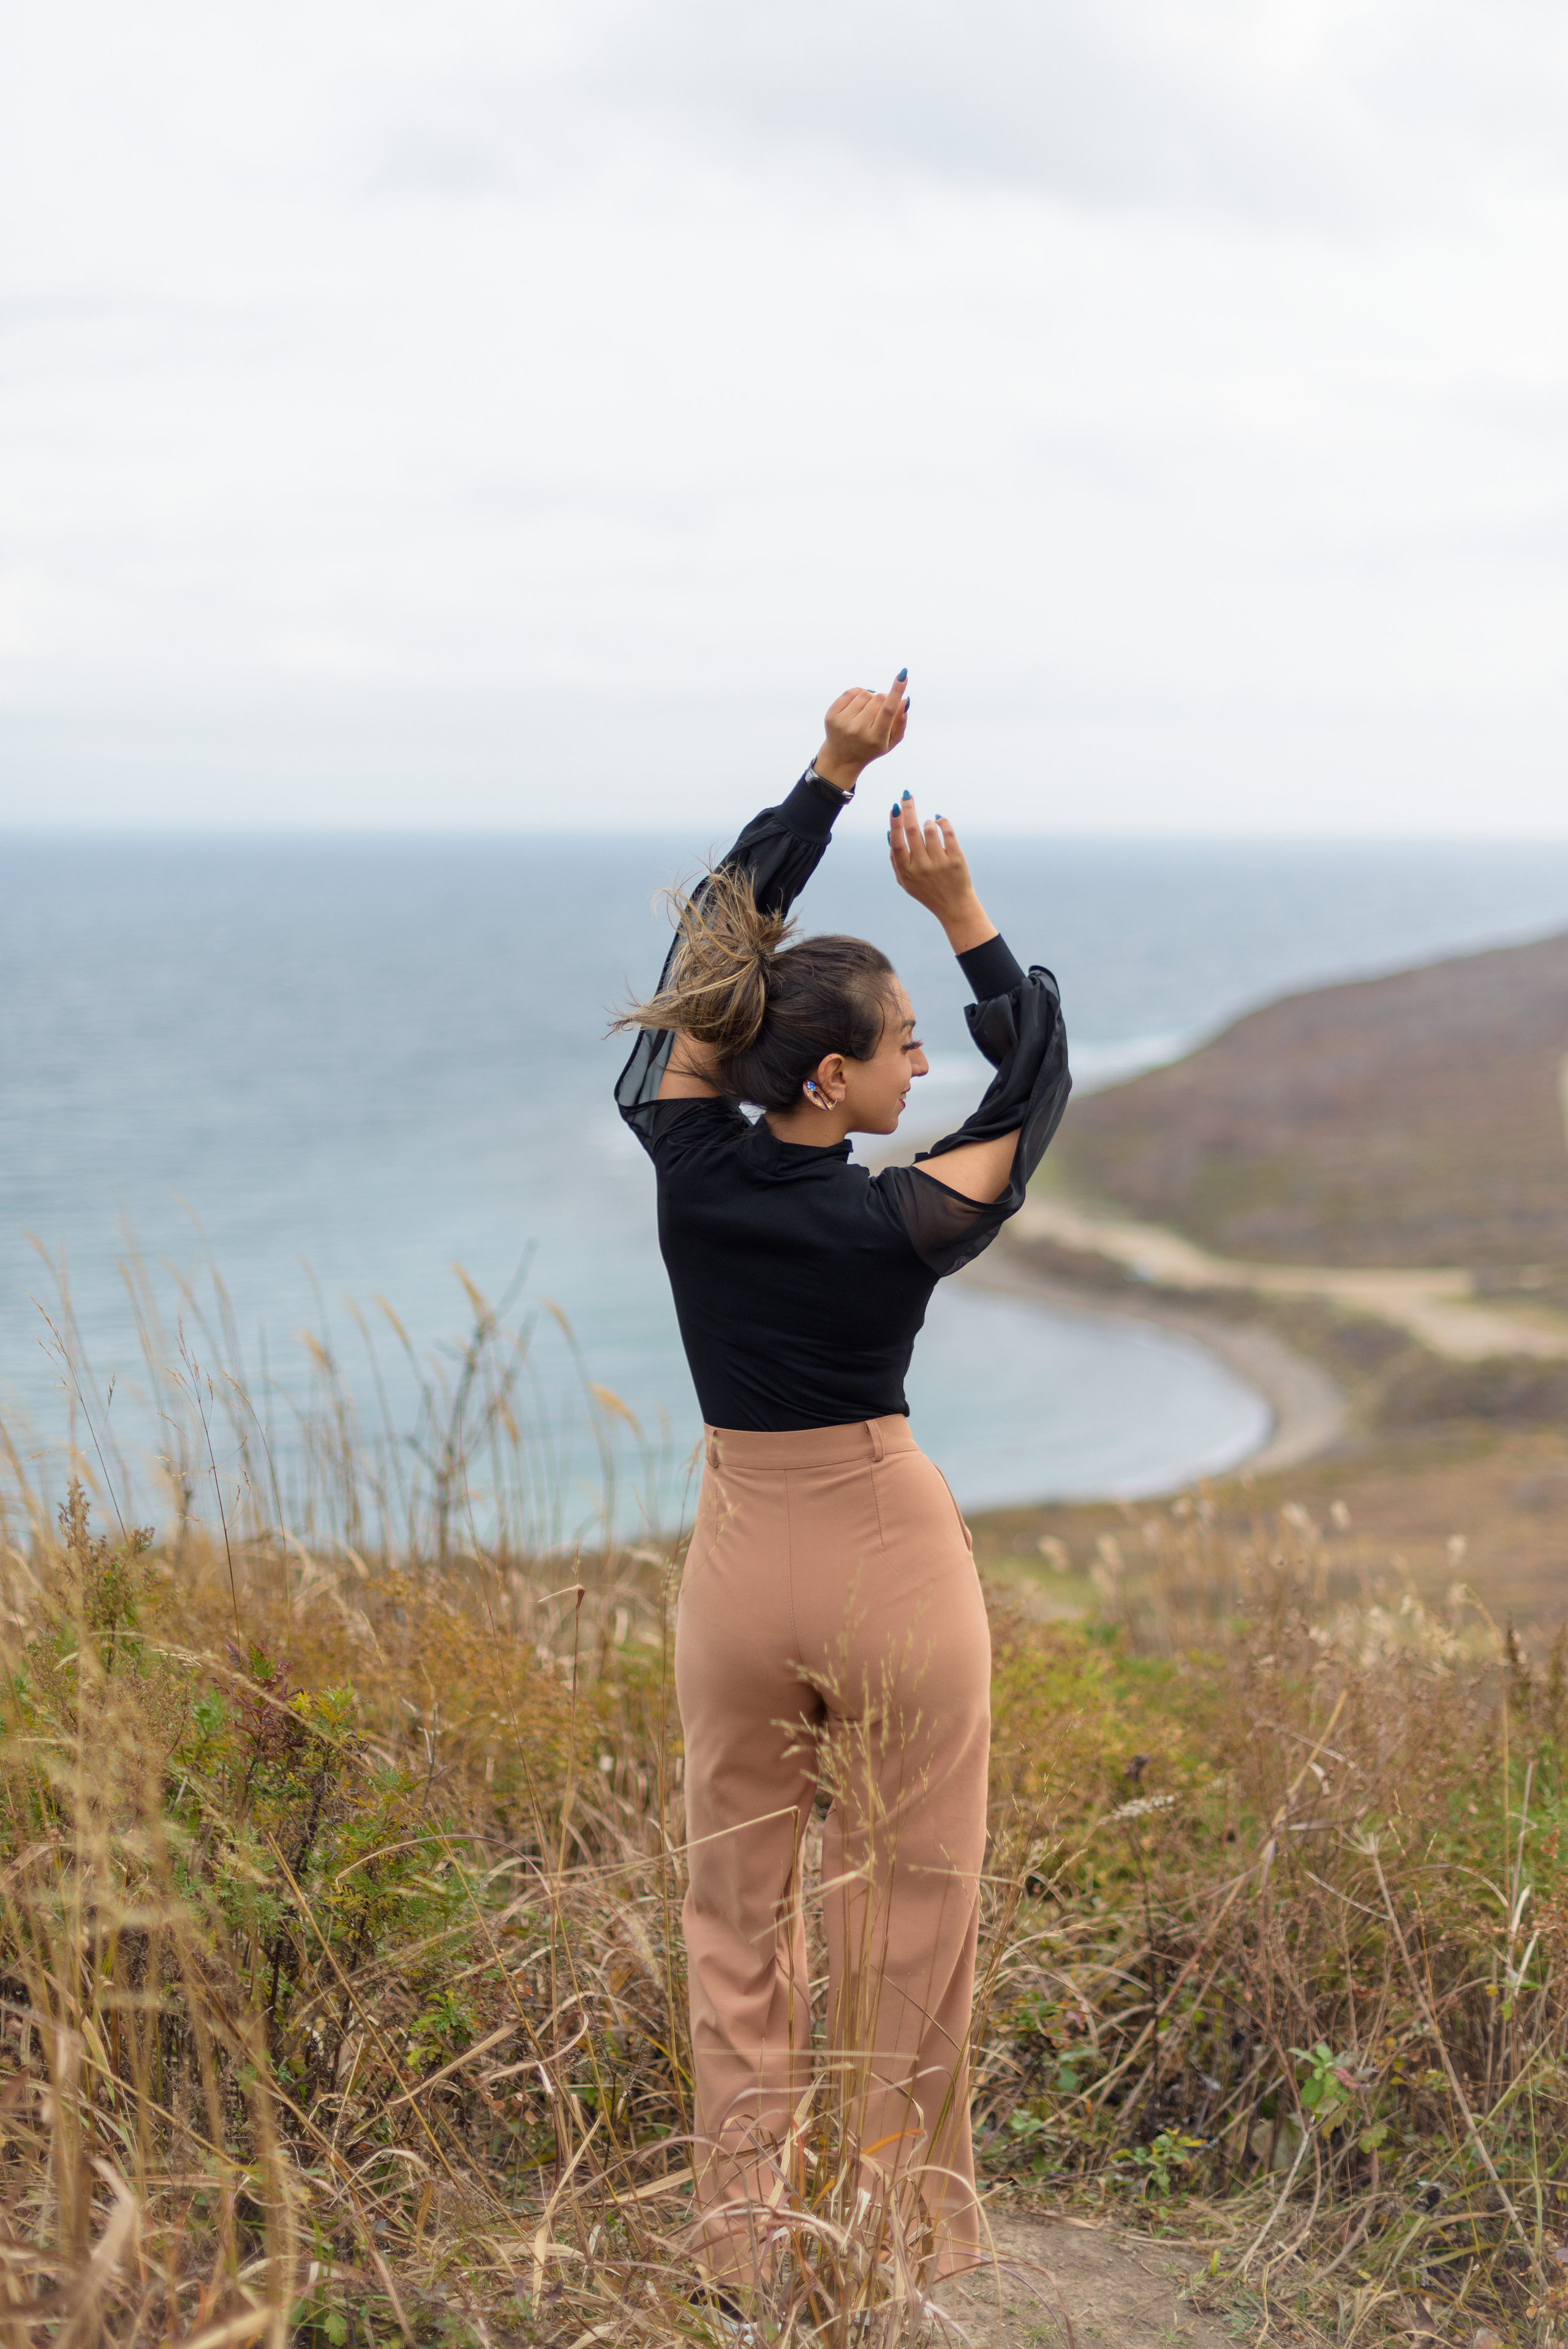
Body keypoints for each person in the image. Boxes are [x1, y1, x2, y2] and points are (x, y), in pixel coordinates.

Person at [612, 672, 1071, 2298]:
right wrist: (962, 914)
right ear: (829, 1081)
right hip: (890, 1554)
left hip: (740, 1566)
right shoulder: (902, 1221)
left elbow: (708, 958)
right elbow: (1035, 1086)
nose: (921, 1062)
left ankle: (750, 2256)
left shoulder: (684, 1163)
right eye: (900, 1042)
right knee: (909, 1914)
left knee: (737, 1918)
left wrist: (826, 772)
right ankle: (889, 2249)